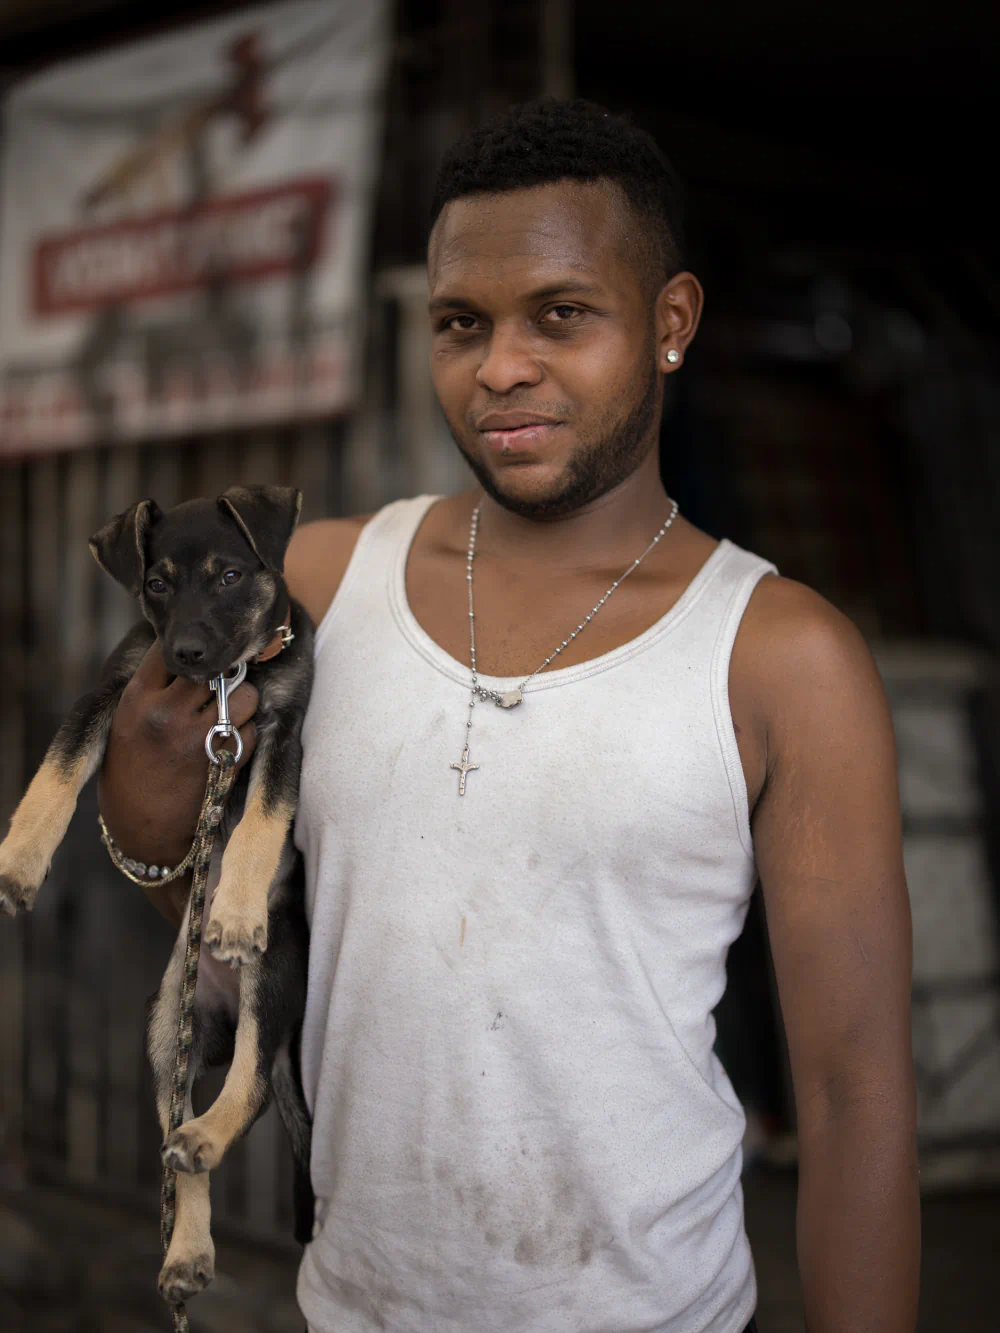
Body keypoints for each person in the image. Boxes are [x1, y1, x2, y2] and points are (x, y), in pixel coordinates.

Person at [99, 100, 920, 1333]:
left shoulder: (780, 657)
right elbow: (270, 954)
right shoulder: (316, 586)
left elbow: (856, 1096)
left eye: (561, 314)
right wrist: (151, 832)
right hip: (355, 1308)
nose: (499, 367)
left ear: (670, 323)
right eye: (460, 323)